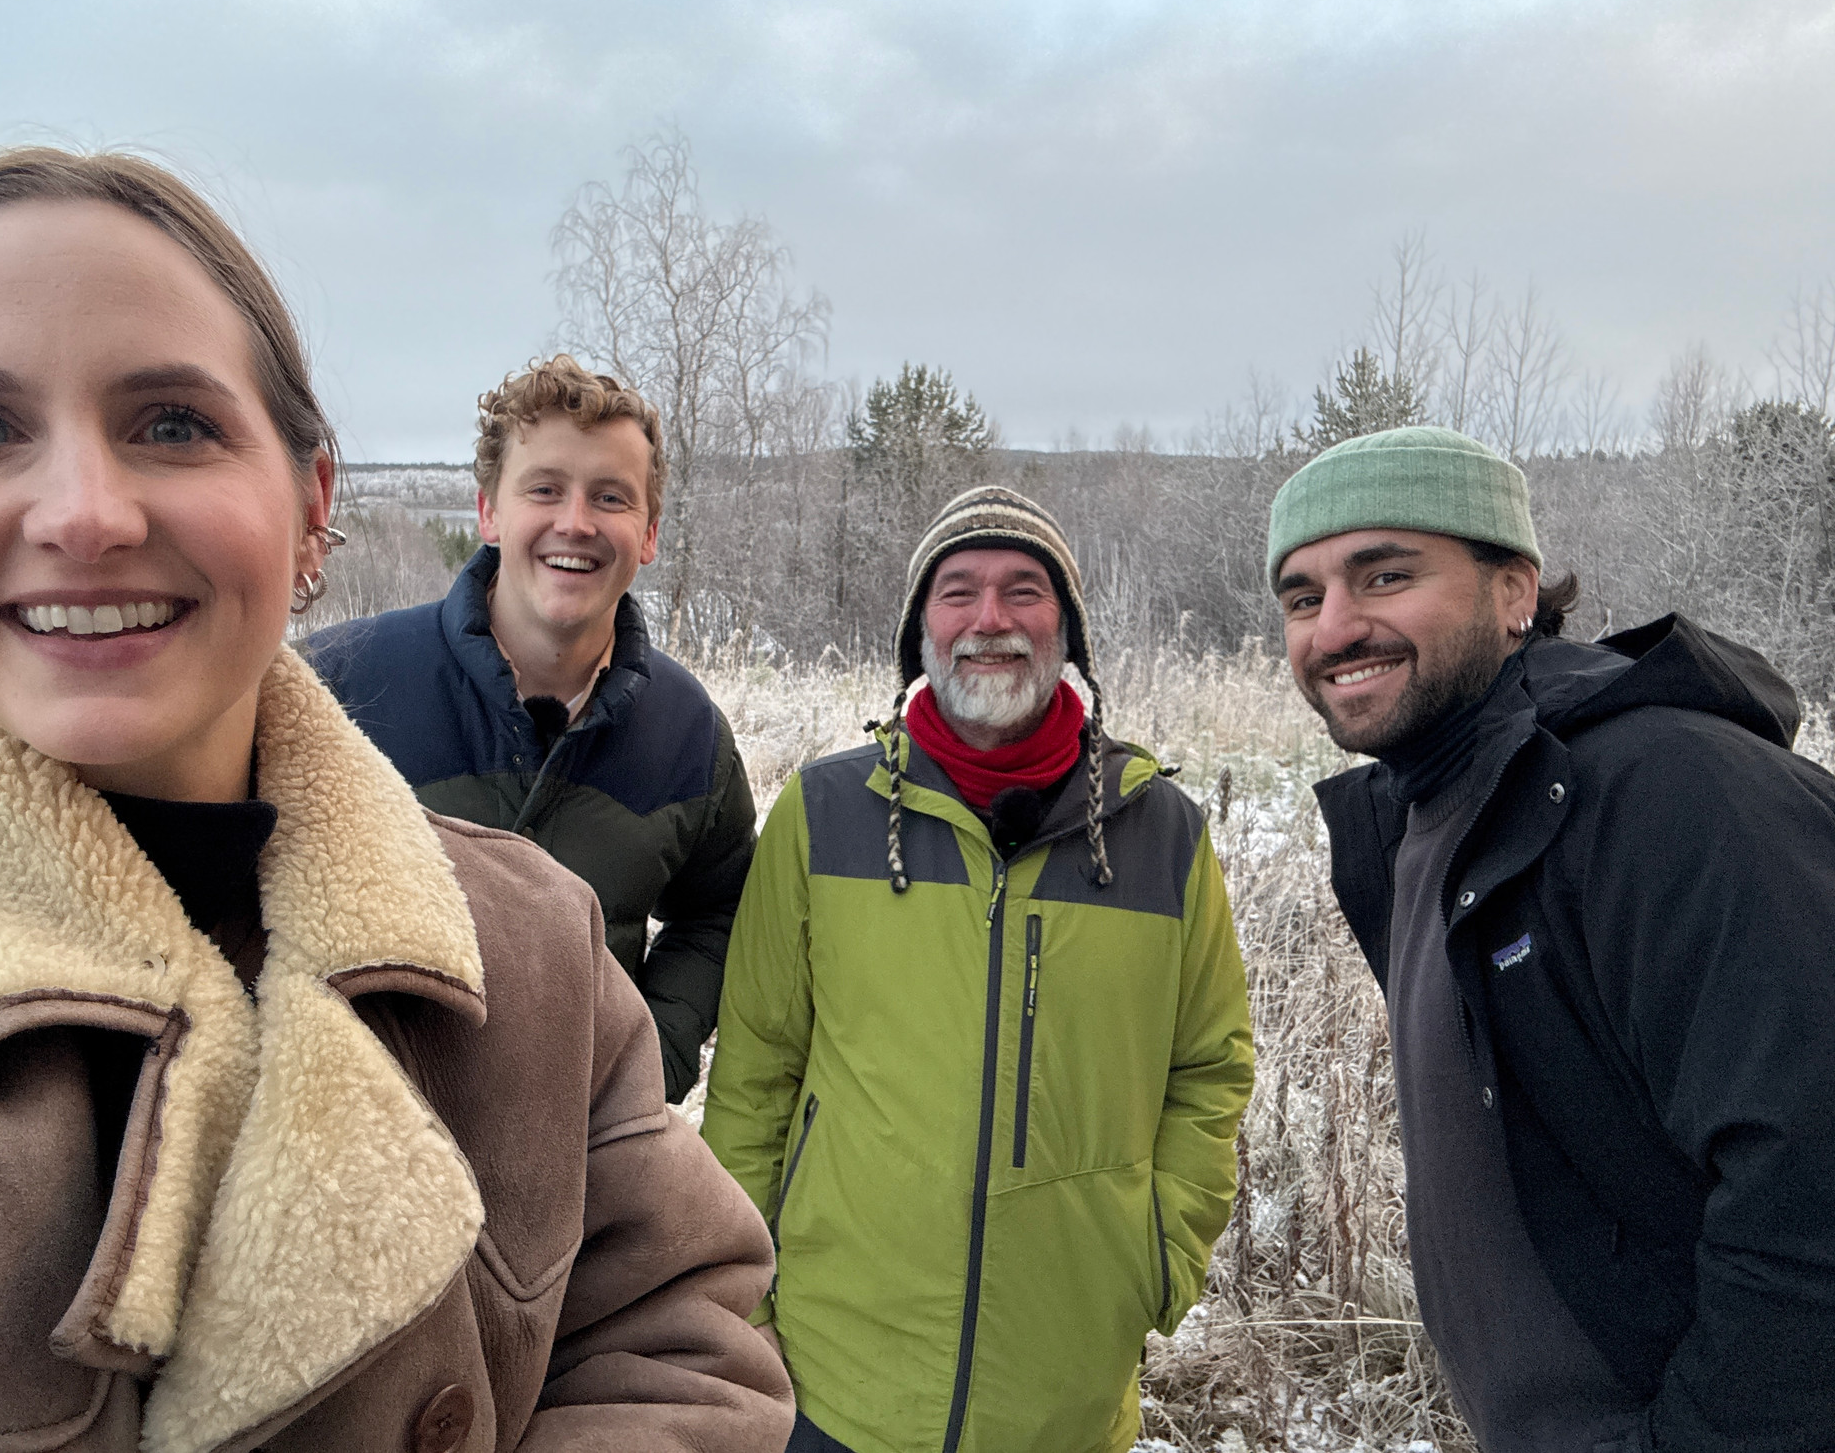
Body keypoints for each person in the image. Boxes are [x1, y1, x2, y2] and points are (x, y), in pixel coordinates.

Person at [0, 147, 791, 1452]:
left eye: (170, 422)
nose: (86, 512)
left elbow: (683, 1332)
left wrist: (643, 1047)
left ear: (311, 502)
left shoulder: (549, 936)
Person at [1268, 426, 1835, 1451]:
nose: (1336, 627)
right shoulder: (1421, 822)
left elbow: (1809, 1182)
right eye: (1302, 598)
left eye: (1384, 575)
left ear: (1512, 590)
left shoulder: (1668, 792)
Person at [703, 487, 1254, 1453]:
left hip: (1063, 1398)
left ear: (1068, 630)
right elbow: (756, 1072)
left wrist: (1157, 1259)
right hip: (834, 1384)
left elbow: (1209, 1068)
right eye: (957, 592)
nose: (989, 620)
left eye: (1024, 591)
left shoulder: (1161, 834)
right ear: (920, 631)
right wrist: (738, 1300)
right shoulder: (823, 814)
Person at [306, 355, 755, 1102]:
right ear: (489, 513)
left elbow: (721, 905)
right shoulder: (343, 684)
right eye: (544, 489)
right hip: (364, 1167)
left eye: (610, 497)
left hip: (583, 1181)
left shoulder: (687, 733)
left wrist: (651, 1055)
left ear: (648, 533)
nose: (574, 523)